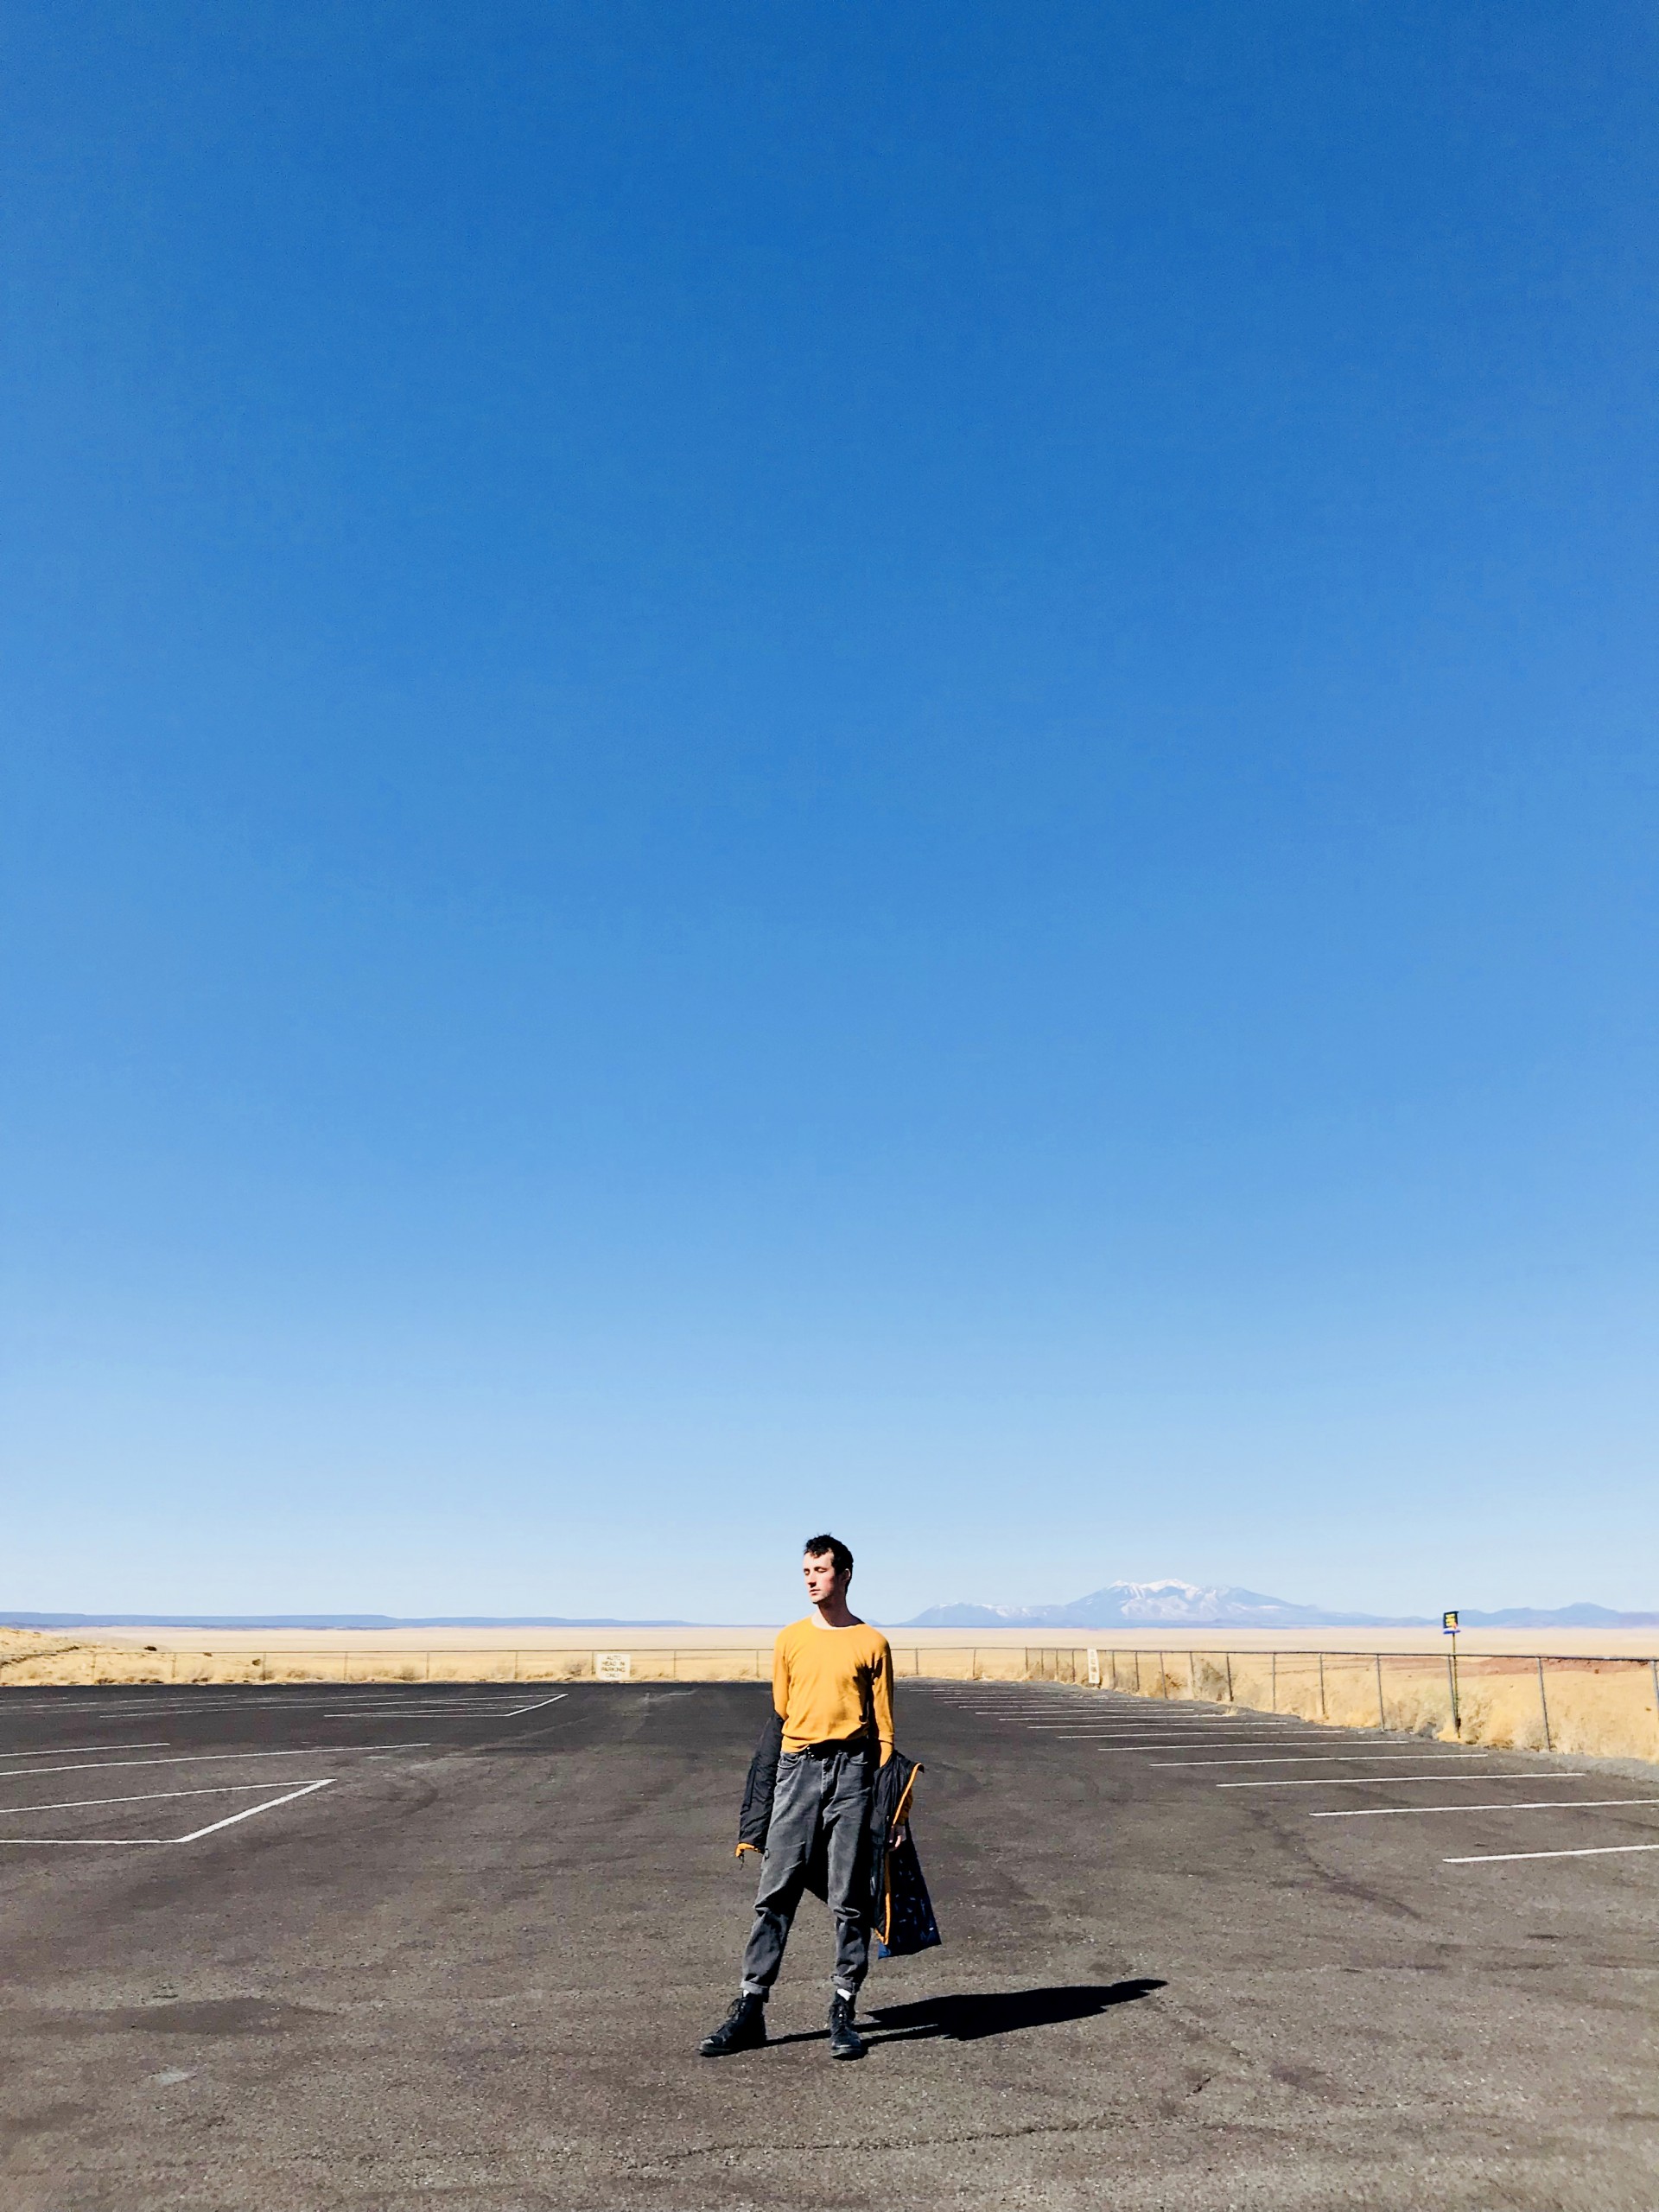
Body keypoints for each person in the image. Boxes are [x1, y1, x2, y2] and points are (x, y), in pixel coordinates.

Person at [700, 1534, 893, 2062]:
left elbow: (885, 1730)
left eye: (821, 1570)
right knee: (776, 1891)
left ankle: (843, 2007)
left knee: (850, 1897)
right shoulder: (789, 1639)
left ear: (845, 1574)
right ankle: (751, 2007)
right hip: (798, 1767)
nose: (810, 1579)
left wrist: (891, 1803)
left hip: (852, 1772)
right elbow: (783, 1710)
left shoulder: (873, 1644)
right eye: (805, 1570)